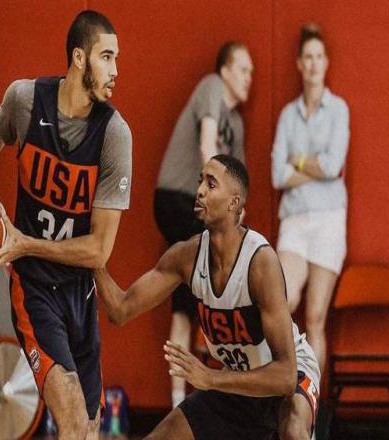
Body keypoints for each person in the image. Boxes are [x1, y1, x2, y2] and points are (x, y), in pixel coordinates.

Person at [0, 10, 132, 439]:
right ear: (79, 58)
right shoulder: (26, 99)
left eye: (117, 59)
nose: (116, 71)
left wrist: (24, 242)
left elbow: (98, 250)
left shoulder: (114, 135)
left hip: (80, 291)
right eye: (106, 57)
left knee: (88, 428)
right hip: (33, 289)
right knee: (70, 416)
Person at [96, 155, 320, 440]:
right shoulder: (186, 256)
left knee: (293, 430)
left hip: (290, 374)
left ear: (234, 203)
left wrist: (210, 377)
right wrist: (93, 258)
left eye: (211, 184)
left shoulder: (260, 262)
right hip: (237, 381)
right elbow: (120, 310)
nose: (200, 190)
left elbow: (285, 376)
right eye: (200, 181)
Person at [154, 42, 253, 407]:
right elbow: (208, 150)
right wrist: (224, 210)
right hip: (177, 199)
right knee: (216, 272)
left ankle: (179, 402)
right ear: (225, 70)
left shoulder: (237, 123)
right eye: (243, 69)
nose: (249, 78)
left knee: (186, 300)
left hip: (202, 208)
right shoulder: (211, 87)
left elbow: (237, 186)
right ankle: (211, 326)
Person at [271, 23, 350, 374]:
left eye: (319, 56)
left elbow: (334, 166)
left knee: (316, 317)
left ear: (326, 62)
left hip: (329, 219)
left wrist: (298, 162)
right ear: (299, 64)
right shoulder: (288, 115)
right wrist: (317, 167)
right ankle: (282, 389)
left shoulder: (338, 109)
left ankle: (311, 401)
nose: (314, 63)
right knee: (283, 300)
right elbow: (277, 175)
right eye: (308, 57)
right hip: (294, 220)